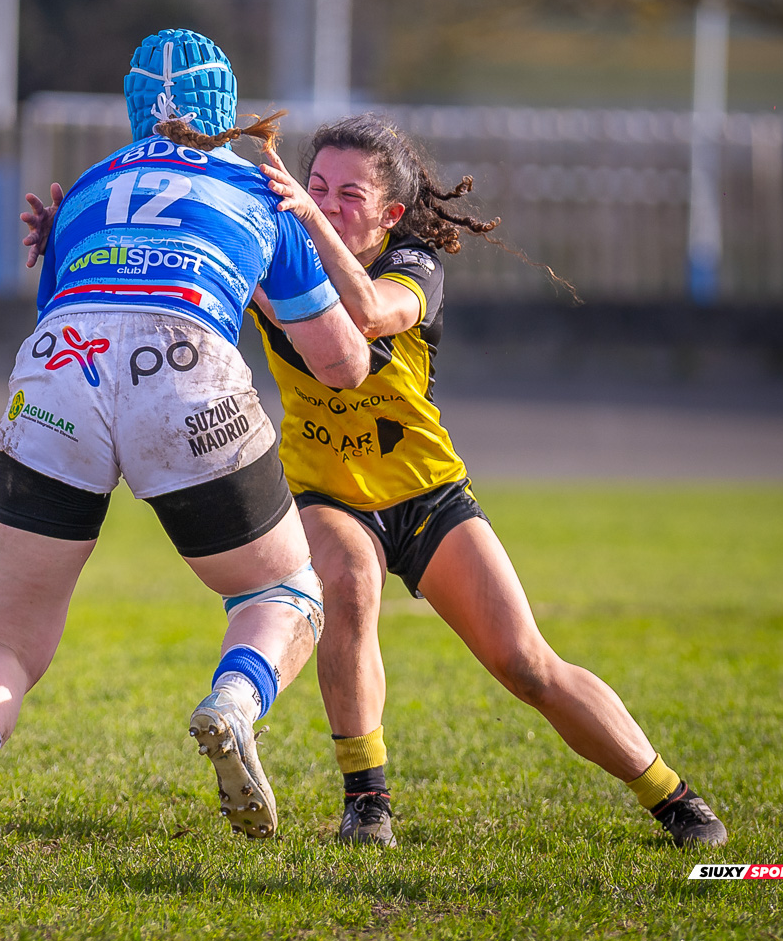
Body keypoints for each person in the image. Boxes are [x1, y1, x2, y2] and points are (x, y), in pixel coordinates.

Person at [0, 29, 371, 842]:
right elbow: (343, 363)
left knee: (3, 632)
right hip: (183, 363)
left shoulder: (85, 190)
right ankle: (233, 703)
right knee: (284, 590)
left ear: (136, 111)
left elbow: (67, 304)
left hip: (60, 364)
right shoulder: (264, 190)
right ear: (228, 108)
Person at [245, 111, 728, 849]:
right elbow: (182, 257)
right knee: (346, 582)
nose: (327, 202)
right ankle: (366, 799)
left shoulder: (415, 268)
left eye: (349, 193)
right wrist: (71, 230)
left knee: (526, 664)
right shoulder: (275, 257)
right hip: (327, 490)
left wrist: (308, 215)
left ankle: (673, 797)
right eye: (317, 185)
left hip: (428, 495)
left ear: (391, 213)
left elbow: (370, 315)